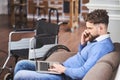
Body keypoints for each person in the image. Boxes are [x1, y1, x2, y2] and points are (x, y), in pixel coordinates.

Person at [14, 9, 114, 80]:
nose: (87, 31)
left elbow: (83, 72)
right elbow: (82, 57)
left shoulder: (101, 47)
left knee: (20, 75)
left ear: (100, 28)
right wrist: (83, 44)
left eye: (90, 28)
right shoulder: (98, 40)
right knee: (21, 64)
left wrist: (63, 69)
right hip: (60, 69)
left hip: (62, 76)